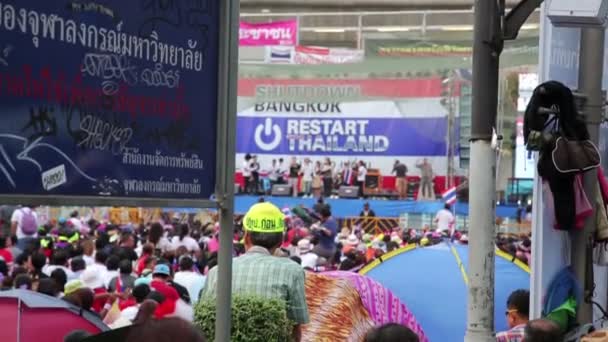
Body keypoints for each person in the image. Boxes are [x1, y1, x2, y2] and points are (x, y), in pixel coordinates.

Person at [201, 202, 309, 342]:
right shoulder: (293, 271)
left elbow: (204, 321)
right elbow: (296, 327)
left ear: (246, 237)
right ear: (280, 242)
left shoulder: (217, 271)